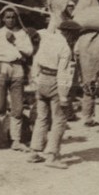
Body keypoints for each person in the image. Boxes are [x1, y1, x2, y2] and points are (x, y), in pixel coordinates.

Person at [28, 19, 80, 169]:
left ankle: (34, 151)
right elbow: (63, 73)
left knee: (42, 118)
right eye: (75, 36)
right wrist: (64, 96)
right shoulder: (65, 48)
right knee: (59, 120)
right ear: (70, 34)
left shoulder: (47, 40)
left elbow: (36, 60)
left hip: (42, 79)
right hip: (55, 81)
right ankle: (52, 155)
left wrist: (36, 79)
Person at [0, 5, 33, 150]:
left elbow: (29, 51)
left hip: (17, 67)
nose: (10, 20)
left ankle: (16, 140)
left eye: (13, 17)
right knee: (0, 106)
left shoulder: (22, 34)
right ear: (2, 19)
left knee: (17, 106)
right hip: (1, 68)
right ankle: (0, 138)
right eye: (7, 17)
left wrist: (14, 41)